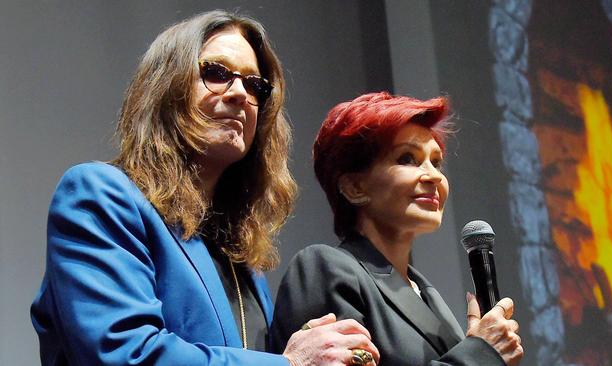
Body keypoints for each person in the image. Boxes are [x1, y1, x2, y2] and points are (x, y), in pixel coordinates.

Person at [30, 10, 379, 366]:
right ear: (166, 87)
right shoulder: (100, 193)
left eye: (255, 85)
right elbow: (124, 354)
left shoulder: (237, 253)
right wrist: (291, 364)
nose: (241, 93)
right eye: (216, 73)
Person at [270, 92, 524, 365]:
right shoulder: (326, 268)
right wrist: (480, 354)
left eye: (436, 162)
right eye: (407, 159)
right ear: (354, 187)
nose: (434, 175)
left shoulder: (428, 295)